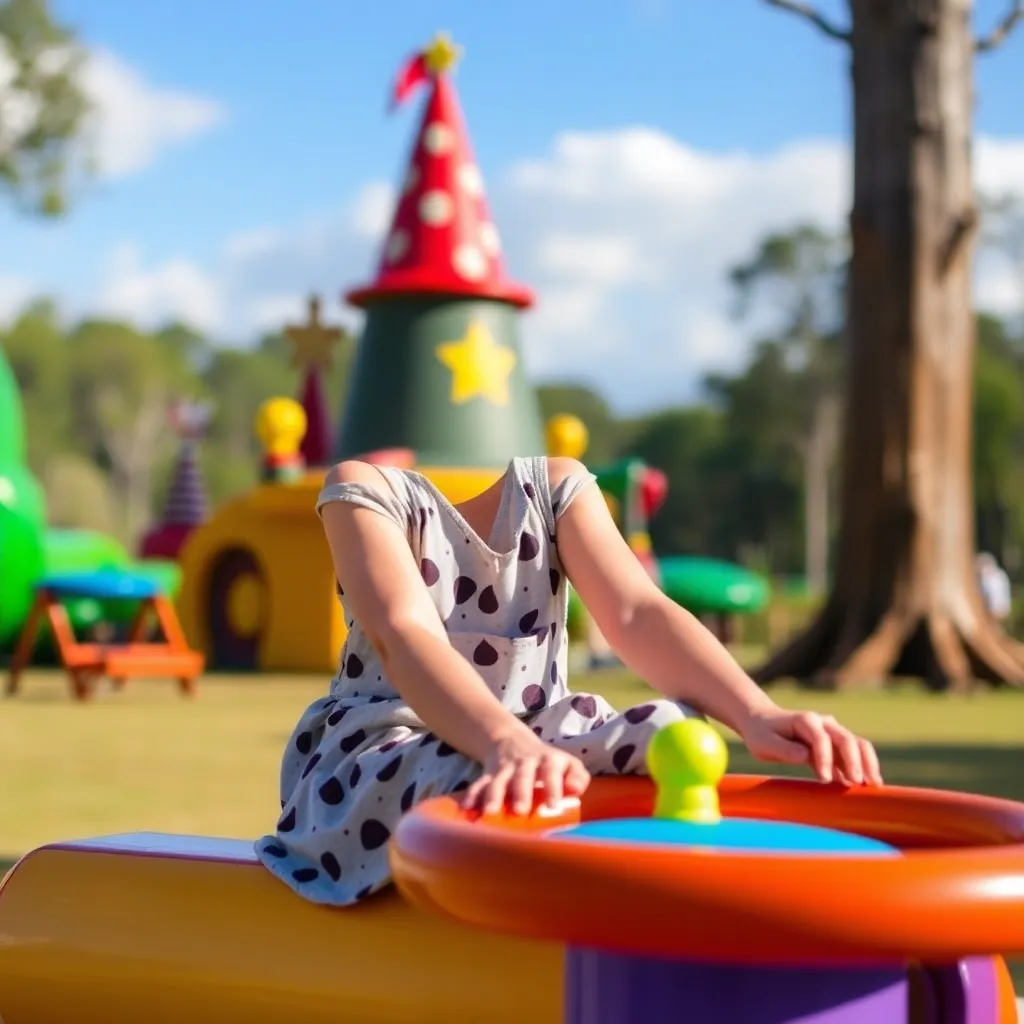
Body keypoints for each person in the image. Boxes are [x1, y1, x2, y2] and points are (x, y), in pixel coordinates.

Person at [255, 456, 883, 905]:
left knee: (670, 732)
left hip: (532, 742)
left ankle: (657, 890)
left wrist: (755, 713)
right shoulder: (359, 488)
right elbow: (404, 633)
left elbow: (638, 612)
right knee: (468, 777)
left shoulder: (556, 487)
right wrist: (502, 743)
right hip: (385, 751)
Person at [976, 551, 1013, 622]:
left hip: (995, 611)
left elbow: (987, 596)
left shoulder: (991, 577)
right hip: (1002, 609)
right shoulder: (1001, 574)